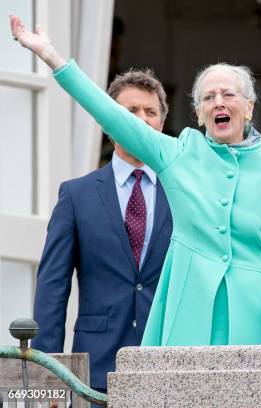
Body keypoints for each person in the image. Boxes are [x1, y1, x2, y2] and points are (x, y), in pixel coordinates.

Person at [10, 14, 261, 347]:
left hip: (256, 314)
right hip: (188, 314)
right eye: (208, 97)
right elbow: (111, 115)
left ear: (249, 107)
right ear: (198, 114)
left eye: (229, 95)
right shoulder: (179, 154)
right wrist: (53, 58)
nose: (219, 102)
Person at [30, 69, 173, 396]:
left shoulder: (183, 193)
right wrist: (46, 369)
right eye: (129, 112)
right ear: (108, 123)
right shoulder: (76, 195)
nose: (142, 119)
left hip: (170, 363)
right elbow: (53, 284)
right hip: (95, 368)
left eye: (151, 112)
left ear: (162, 123)